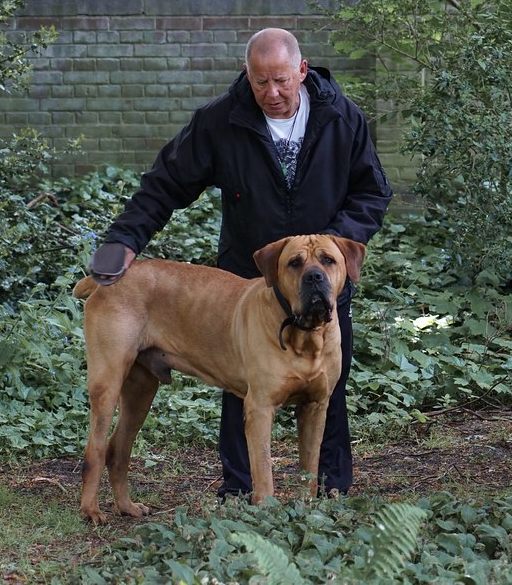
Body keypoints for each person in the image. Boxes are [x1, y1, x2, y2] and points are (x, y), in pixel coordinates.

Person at [88, 28, 393, 498]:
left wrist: (335, 249)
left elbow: (372, 190)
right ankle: (242, 494)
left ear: (302, 72)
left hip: (326, 278)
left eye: (281, 81)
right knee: (243, 392)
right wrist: (122, 241)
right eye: (259, 82)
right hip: (249, 276)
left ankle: (329, 495)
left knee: (327, 394)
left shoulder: (341, 118)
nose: (271, 93)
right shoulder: (220, 121)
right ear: (246, 76)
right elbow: (165, 183)